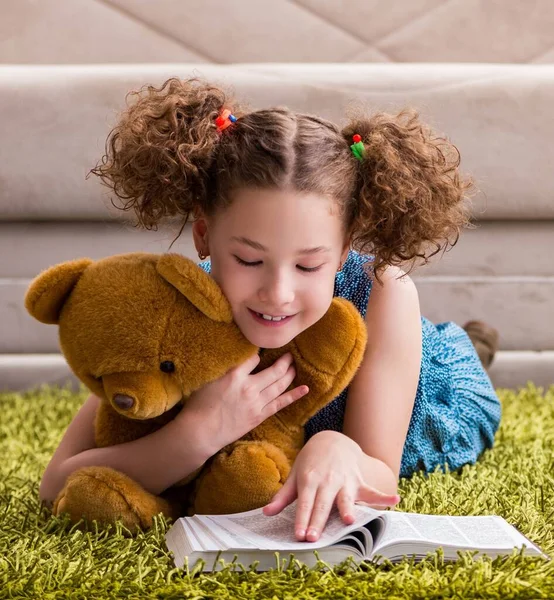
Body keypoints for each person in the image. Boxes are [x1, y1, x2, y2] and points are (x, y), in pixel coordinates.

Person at [39, 77, 501, 544]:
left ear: (342, 252)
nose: (277, 293)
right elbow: (56, 482)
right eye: (248, 260)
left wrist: (334, 445)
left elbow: (380, 469)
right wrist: (200, 434)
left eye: (308, 264)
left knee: (451, 352)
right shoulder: (182, 297)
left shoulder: (385, 288)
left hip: (435, 393)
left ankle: (476, 343)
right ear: (204, 236)